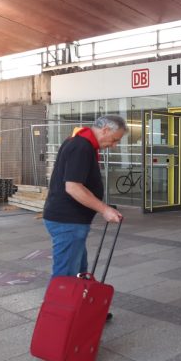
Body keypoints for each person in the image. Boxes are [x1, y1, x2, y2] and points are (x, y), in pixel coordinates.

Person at [43, 115, 126, 320]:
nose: (114, 145)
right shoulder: (81, 147)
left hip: (71, 221)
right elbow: (73, 187)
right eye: (114, 139)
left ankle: (83, 314)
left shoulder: (82, 143)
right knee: (65, 275)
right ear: (105, 130)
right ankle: (58, 322)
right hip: (67, 221)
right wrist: (104, 209)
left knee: (79, 271)